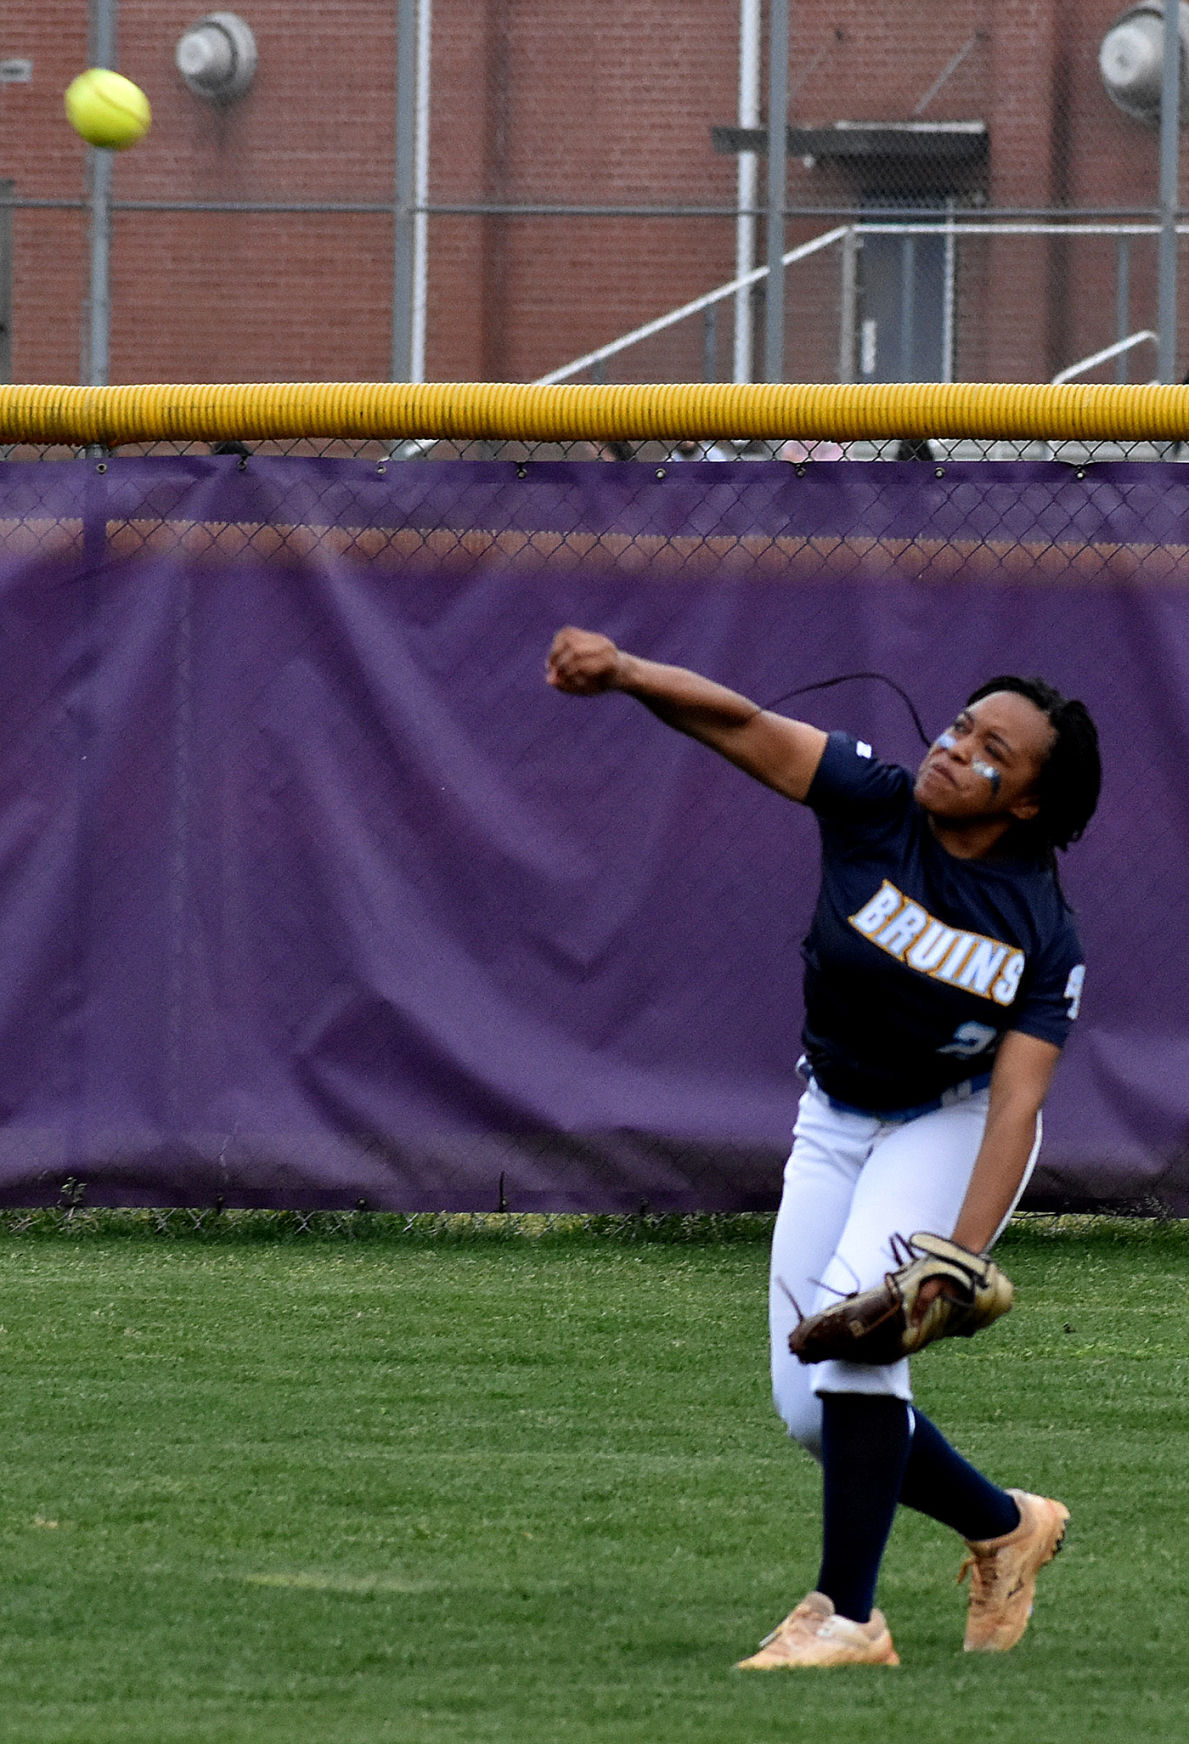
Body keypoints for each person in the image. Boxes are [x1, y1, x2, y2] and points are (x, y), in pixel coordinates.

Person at [545, 625, 1101, 1669]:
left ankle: (848, 1616)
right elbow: (742, 726)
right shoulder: (873, 800)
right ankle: (1003, 1524)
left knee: (855, 1357)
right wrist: (625, 673)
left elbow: (1017, 1107)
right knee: (812, 1407)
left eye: (990, 749)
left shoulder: (1040, 930)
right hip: (835, 1112)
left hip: (950, 1123)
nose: (952, 747)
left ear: (1025, 801)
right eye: (958, 723)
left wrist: (958, 1257)